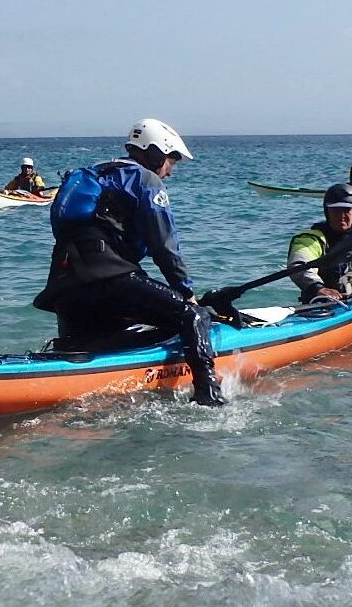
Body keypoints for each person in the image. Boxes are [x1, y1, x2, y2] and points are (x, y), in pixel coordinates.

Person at [33, 118, 225, 406]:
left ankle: (64, 375)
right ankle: (209, 396)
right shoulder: (146, 180)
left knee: (90, 342)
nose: (170, 170)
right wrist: (187, 293)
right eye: (171, 161)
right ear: (156, 152)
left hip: (64, 288)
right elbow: (164, 246)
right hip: (110, 278)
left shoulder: (95, 175)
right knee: (192, 316)